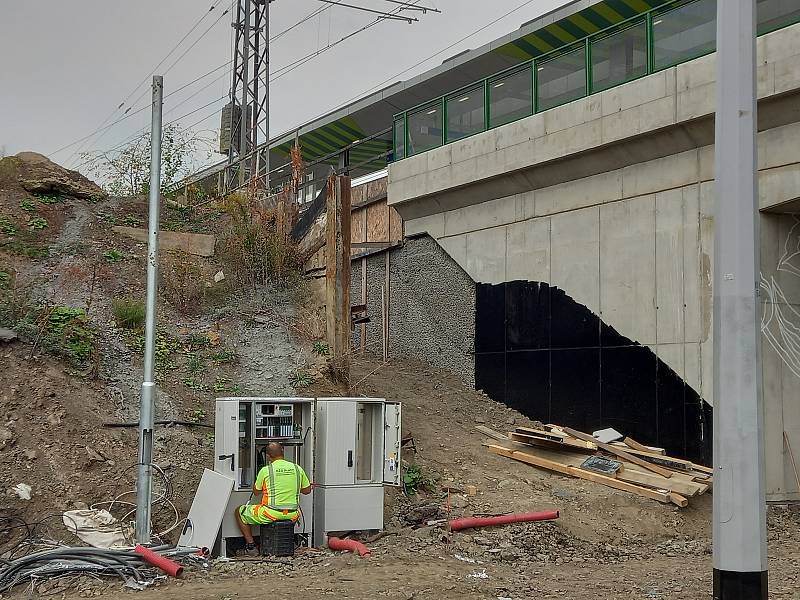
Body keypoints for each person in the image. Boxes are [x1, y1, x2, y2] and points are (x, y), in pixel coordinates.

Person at [234, 442, 312, 556]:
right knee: (290, 514)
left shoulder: (266, 470)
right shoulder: (297, 469)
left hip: (270, 513)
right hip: (292, 514)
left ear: (267, 456)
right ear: (283, 451)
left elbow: (256, 492)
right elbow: (307, 490)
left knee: (239, 511)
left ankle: (251, 547)